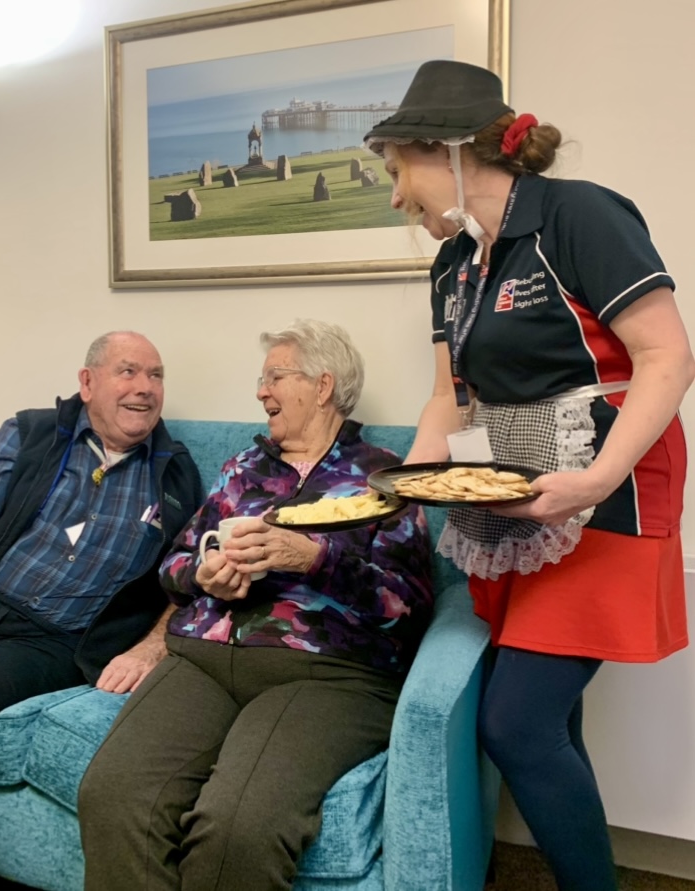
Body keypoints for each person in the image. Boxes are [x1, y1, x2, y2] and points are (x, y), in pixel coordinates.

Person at [364, 60, 695, 891]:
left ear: (446, 152)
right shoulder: (452, 266)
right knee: (547, 715)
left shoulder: (578, 214)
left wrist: (595, 479)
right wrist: (402, 485)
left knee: (515, 720)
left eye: (399, 170)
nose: (397, 196)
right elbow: (451, 396)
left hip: (608, 484)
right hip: (517, 488)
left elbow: (667, 356)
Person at [78, 319, 435, 891]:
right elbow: (174, 566)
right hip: (203, 656)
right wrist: (205, 574)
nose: (261, 391)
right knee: (114, 791)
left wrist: (311, 558)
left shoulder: (381, 477)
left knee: (236, 825)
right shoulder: (243, 470)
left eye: (275, 376)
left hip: (326, 672)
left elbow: (409, 605)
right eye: (262, 378)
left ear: (322, 386)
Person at [0, 331, 203, 889]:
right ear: (87, 381)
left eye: (156, 375)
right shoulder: (32, 433)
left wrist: (151, 645)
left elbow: (185, 583)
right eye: (128, 372)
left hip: (51, 641)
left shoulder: (175, 474)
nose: (145, 389)